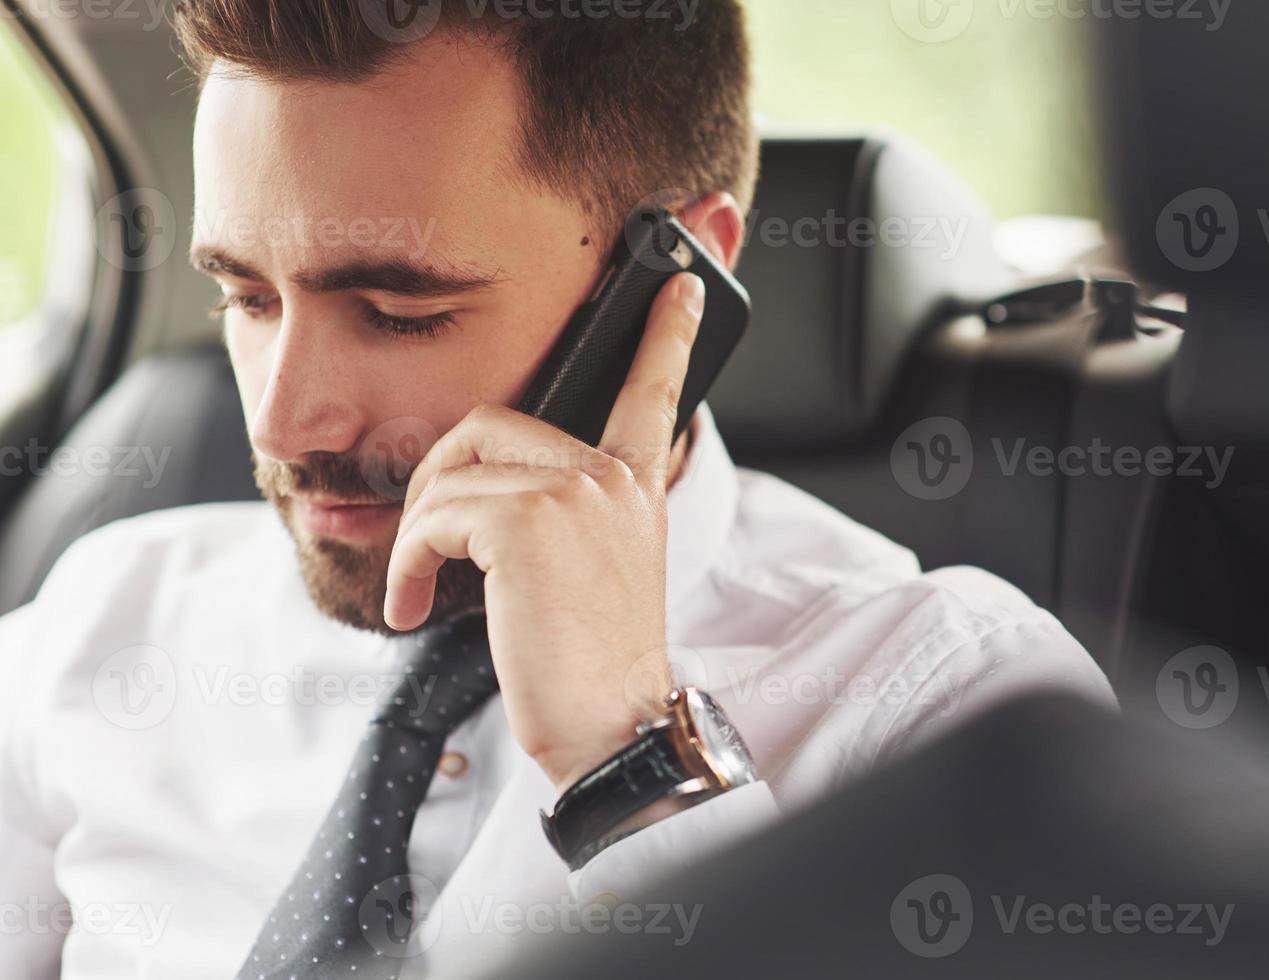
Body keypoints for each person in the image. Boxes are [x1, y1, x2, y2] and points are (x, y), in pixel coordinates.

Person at [0, 2, 1115, 977]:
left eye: (401, 313)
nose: (282, 421)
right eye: (247, 299)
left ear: (672, 277)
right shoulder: (103, 627)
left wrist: (630, 754)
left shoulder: (948, 706)